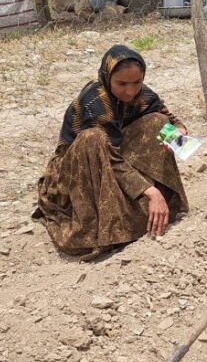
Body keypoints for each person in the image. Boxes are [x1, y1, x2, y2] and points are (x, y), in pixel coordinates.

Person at [35, 45, 189, 261]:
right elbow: (109, 157)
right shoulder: (95, 102)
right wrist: (151, 192)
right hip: (77, 172)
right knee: (93, 138)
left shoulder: (141, 94)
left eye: (137, 82)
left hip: (113, 153)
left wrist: (179, 132)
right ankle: (105, 224)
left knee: (159, 123)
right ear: (107, 77)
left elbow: (167, 116)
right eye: (122, 84)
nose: (130, 91)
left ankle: (152, 204)